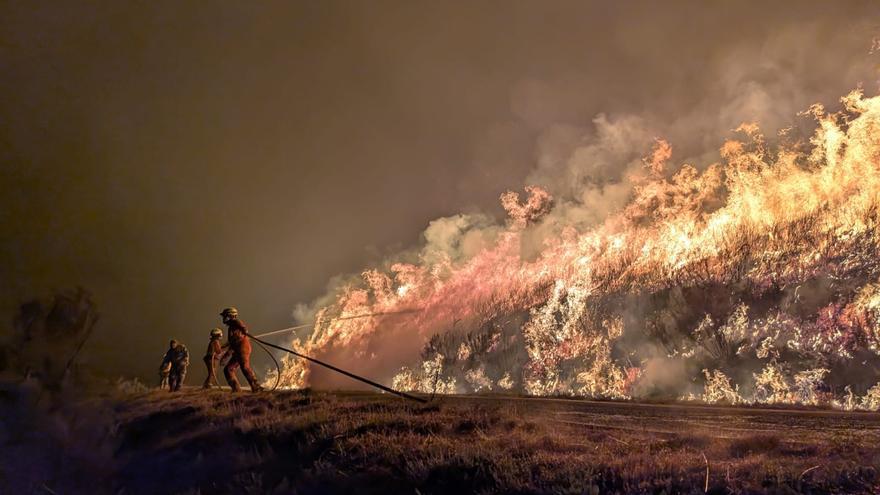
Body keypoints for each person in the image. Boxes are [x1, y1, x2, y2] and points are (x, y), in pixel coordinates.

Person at [219, 307, 262, 392]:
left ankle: (256, 386)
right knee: (228, 369)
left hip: (242, 347)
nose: (224, 318)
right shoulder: (231, 327)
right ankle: (236, 389)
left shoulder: (235, 322)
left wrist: (244, 330)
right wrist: (223, 350)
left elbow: (241, 325)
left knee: (245, 367)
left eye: (225, 316)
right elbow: (231, 343)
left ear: (231, 316)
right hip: (236, 349)